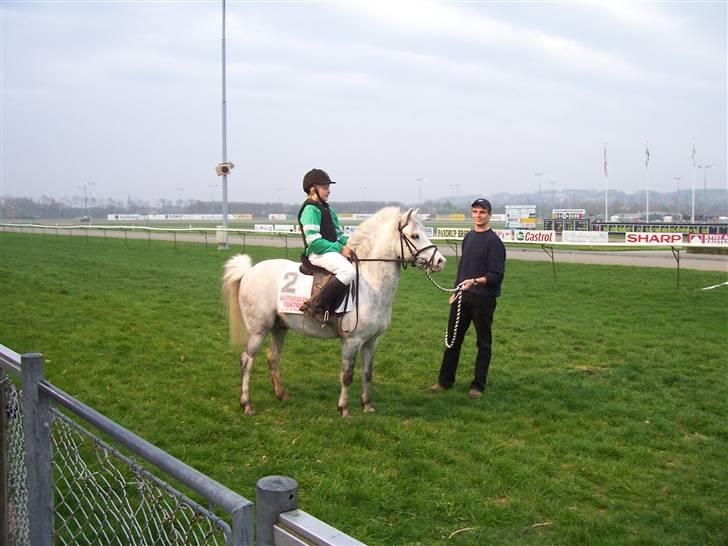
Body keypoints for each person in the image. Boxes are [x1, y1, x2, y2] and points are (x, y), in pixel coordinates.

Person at [428, 198, 506, 398]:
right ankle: (444, 382)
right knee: (452, 340)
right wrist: (456, 290)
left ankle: (477, 386)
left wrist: (475, 281)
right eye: (475, 212)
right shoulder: (469, 237)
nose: (478, 215)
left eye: (482, 212)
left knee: (483, 343)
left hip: (483, 299)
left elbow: (496, 275)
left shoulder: (494, 242)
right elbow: (463, 270)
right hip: (463, 297)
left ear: (489, 215)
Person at [297, 168, 355, 320]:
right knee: (348, 271)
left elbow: (339, 235)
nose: (329, 191)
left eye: (329, 187)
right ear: (313, 189)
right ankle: (316, 306)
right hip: (317, 254)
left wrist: (353, 244)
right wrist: (340, 248)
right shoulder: (310, 210)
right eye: (325, 187)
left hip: (329, 251)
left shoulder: (328, 209)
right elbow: (314, 243)